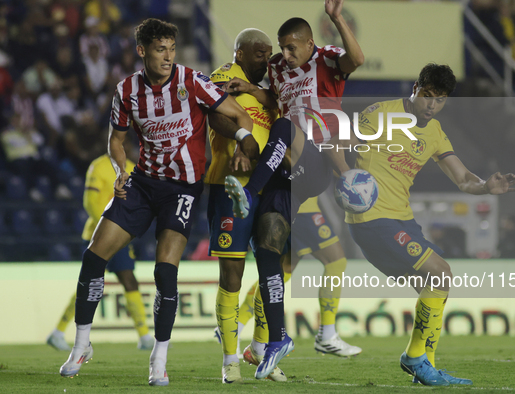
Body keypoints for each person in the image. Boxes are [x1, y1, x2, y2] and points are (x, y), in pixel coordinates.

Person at [58, 18, 256, 387]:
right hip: (143, 183)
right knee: (93, 256)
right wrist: (120, 169)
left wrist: (243, 143)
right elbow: (116, 140)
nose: (168, 57)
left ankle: (158, 358)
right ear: (142, 51)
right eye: (160, 49)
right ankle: (82, 344)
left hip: (183, 188)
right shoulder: (127, 91)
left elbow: (237, 114)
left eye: (171, 49)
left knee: (165, 271)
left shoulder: (191, 82)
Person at [346, 63, 515, 386]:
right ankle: (414, 357)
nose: (431, 105)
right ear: (415, 88)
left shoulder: (435, 133)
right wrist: (342, 181)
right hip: (373, 217)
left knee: (433, 287)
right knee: (441, 272)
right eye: (427, 96)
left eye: (440, 100)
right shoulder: (379, 113)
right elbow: (341, 146)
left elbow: (463, 178)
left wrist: (486, 186)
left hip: (402, 220)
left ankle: (426, 365)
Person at [223, 0, 364, 379]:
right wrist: (253, 87)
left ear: (308, 43)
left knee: (284, 128)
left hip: (316, 158)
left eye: (290, 48)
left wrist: (337, 18)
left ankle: (250, 192)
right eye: (281, 48)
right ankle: (273, 339)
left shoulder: (328, 59)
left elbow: (358, 58)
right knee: (270, 250)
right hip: (288, 172)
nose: (284, 55)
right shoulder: (277, 69)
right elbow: (276, 100)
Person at [204, 28, 282, 383]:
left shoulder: (269, 93)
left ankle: (264, 354)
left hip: (269, 188)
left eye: (269, 54)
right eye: (259, 53)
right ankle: (230, 360)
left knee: (271, 271)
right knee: (232, 275)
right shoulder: (224, 77)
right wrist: (241, 138)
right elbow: (215, 114)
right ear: (239, 52)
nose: (266, 60)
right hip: (229, 185)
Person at [47, 150, 154, 352]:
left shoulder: (133, 168)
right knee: (96, 282)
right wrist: (106, 229)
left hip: (119, 234)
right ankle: (58, 332)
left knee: (127, 279)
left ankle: (145, 336)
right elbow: (90, 201)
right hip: (102, 234)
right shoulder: (99, 166)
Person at [234, 196, 361, 366]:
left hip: (287, 205)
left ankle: (236, 327)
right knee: (336, 261)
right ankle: (327, 334)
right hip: (303, 208)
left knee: (283, 270)